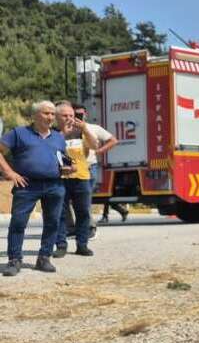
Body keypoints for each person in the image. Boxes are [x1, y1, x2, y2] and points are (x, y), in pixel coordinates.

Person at [0, 101, 70, 276]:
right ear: (35, 115)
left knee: (53, 223)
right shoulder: (19, 133)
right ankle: (14, 260)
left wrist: (69, 167)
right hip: (26, 185)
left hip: (55, 185)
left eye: (53, 114)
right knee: (18, 223)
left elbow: (64, 159)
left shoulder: (58, 137)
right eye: (46, 113)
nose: (50, 117)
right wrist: (10, 173)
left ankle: (44, 258)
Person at [53, 102, 97, 258]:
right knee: (60, 214)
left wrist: (85, 128)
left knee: (83, 213)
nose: (69, 118)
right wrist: (64, 133)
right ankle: (61, 245)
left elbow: (94, 145)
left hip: (82, 178)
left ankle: (82, 245)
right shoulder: (52, 133)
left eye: (71, 115)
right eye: (65, 116)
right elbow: (49, 148)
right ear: (56, 117)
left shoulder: (81, 131)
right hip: (60, 179)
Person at [70, 104, 123, 229]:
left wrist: (99, 151)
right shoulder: (68, 129)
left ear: (85, 114)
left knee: (85, 199)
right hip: (72, 169)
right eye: (75, 114)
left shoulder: (93, 128)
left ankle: (89, 227)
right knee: (71, 200)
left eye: (80, 114)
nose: (78, 116)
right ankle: (74, 227)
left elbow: (113, 140)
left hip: (88, 167)